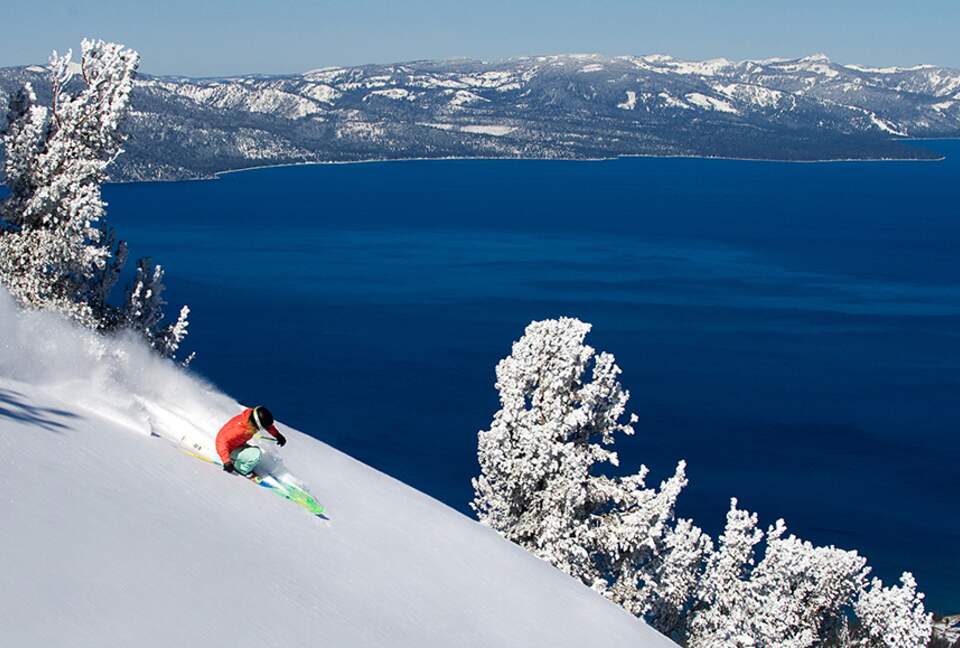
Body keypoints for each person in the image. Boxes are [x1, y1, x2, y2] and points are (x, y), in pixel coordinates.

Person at [215, 405, 287, 476]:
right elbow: (221, 441)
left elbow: (268, 426)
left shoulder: (250, 419)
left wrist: (277, 435)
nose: (258, 430)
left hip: (237, 445)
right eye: (259, 428)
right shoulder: (239, 429)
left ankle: (237, 460)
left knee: (255, 452)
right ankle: (240, 469)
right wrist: (226, 461)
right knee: (255, 454)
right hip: (228, 451)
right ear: (255, 424)